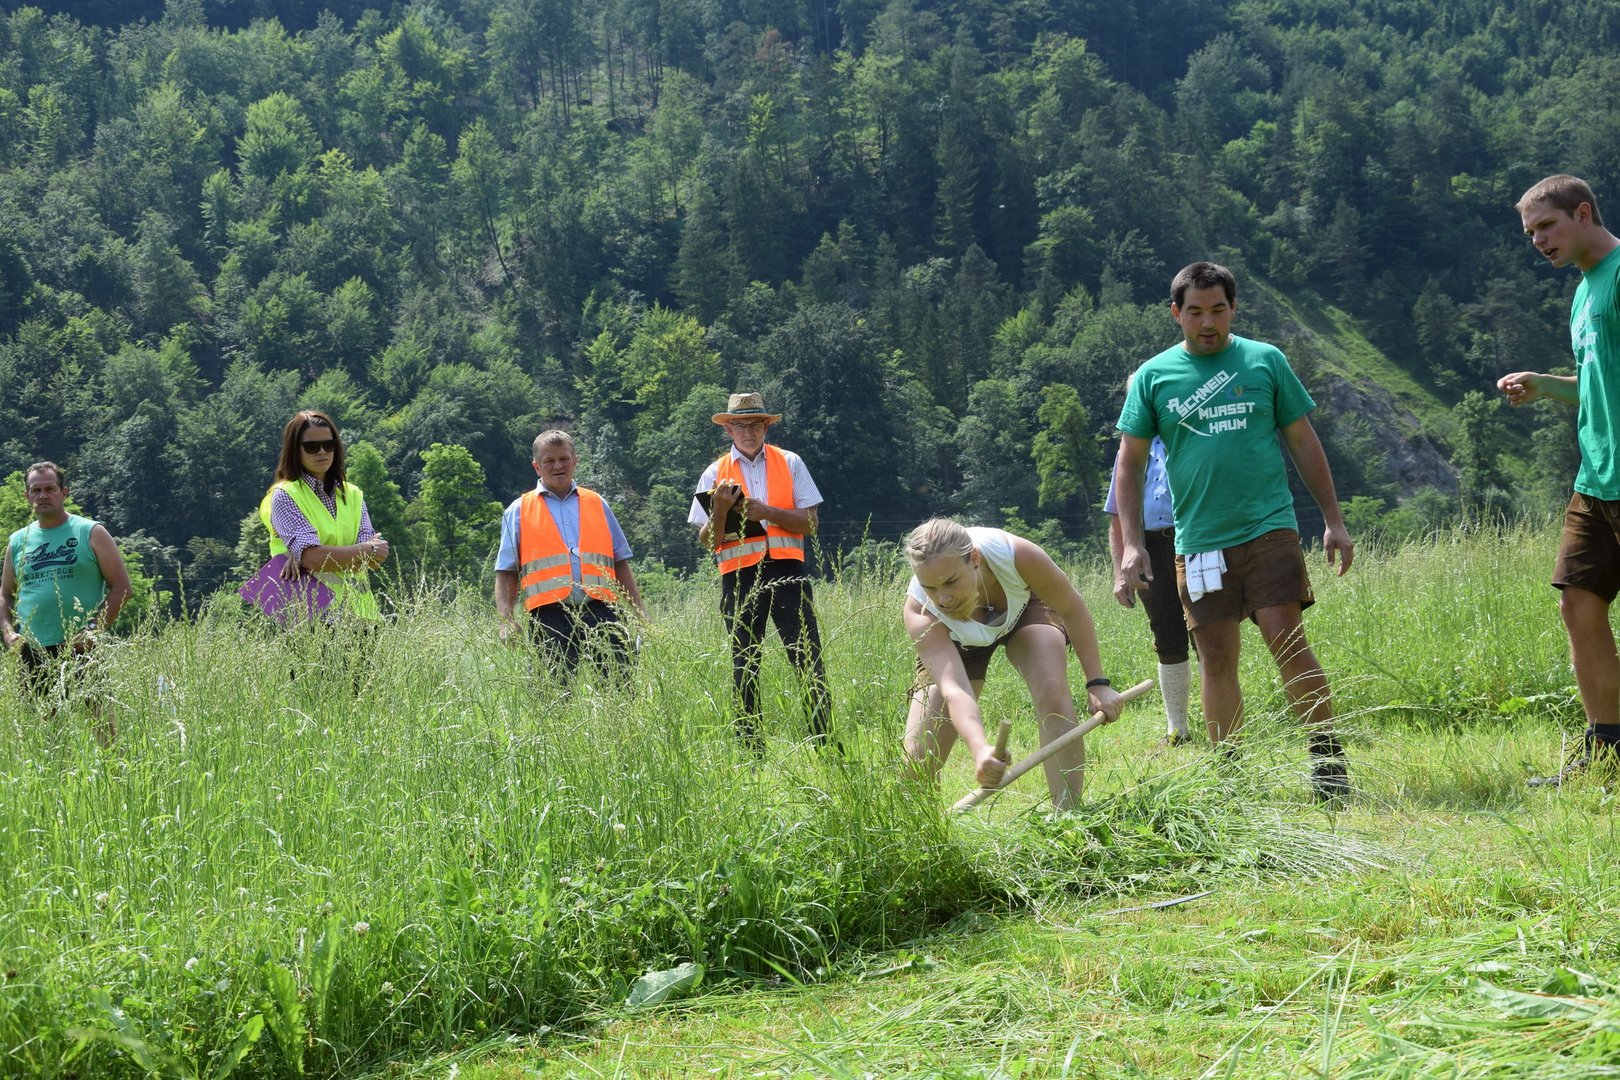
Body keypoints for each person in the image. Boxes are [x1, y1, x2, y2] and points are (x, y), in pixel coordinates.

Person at [1114, 260, 1353, 803]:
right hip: (1199, 541)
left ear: (1233, 309)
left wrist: (1333, 520)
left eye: (1218, 310)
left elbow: (1303, 440)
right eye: (1196, 312)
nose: (1208, 323)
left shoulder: (1265, 361)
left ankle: (1328, 763)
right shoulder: (1153, 377)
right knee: (1216, 660)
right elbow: (1129, 464)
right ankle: (1231, 781)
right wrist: (1131, 545)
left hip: (1269, 529)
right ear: (1176, 313)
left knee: (1286, 641)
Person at [1497, 174, 1620, 786]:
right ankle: (1607, 753)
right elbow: (1595, 384)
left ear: (1583, 212)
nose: (1538, 241)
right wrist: (1544, 385)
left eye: (1547, 226)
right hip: (1595, 479)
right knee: (1577, 603)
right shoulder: (1581, 292)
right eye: (1530, 233)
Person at [902, 518, 1125, 810]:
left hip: (1023, 609)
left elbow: (1071, 608)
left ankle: (1068, 818)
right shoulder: (921, 611)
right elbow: (955, 690)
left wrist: (1097, 684)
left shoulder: (1017, 556)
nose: (943, 598)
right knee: (919, 754)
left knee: (1052, 689)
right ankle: (922, 832)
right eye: (930, 587)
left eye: (951, 581)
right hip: (955, 638)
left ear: (974, 558)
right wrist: (980, 750)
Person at [689, 392, 832, 750]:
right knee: (744, 664)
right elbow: (706, 541)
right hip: (738, 577)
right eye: (740, 425)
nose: (748, 431)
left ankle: (826, 745)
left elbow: (811, 524)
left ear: (766, 426)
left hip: (788, 571)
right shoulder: (713, 473)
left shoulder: (790, 462)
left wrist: (768, 512)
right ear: (728, 430)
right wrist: (720, 511)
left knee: (807, 658)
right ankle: (751, 751)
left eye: (755, 424)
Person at [494, 430, 646, 679]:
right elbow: (506, 572)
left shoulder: (597, 503)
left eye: (564, 459)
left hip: (603, 610)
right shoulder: (518, 510)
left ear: (575, 461)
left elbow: (620, 562)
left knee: (620, 687)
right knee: (552, 693)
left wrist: (639, 613)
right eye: (549, 461)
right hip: (548, 616)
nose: (558, 466)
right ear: (537, 467)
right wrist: (506, 620)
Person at [1, 461, 133, 742]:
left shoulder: (90, 532)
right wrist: (8, 632)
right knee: (43, 739)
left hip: (81, 648)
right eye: (36, 490)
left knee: (103, 734)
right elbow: (5, 595)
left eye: (50, 489)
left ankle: (112, 772)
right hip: (32, 650)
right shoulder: (18, 541)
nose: (43, 496)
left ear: (64, 492)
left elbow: (121, 588)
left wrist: (94, 630)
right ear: (27, 496)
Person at [1105, 434, 1197, 748]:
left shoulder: (1190, 435)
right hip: (1148, 548)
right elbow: (1117, 514)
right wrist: (1120, 574)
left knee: (1208, 629)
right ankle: (1177, 731)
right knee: (1165, 633)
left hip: (1194, 540)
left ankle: (1221, 723)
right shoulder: (1131, 448)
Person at [258, 410, 388, 623]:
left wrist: (315, 557)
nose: (322, 452)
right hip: (308, 615)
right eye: (311, 447)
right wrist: (366, 549)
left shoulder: (353, 494)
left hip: (361, 615)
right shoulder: (284, 495)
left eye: (329, 445)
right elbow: (314, 558)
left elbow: (374, 560)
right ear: (294, 450)